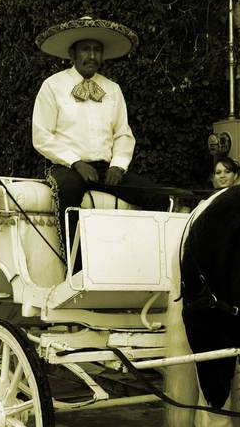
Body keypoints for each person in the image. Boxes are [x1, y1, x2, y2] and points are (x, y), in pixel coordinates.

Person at [32, 16, 167, 270]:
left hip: (107, 166)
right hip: (67, 167)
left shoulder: (112, 89)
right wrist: (75, 162)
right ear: (72, 53)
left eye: (97, 50)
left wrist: (118, 165)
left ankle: (150, 268)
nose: (91, 55)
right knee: (69, 193)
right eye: (86, 49)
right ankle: (77, 270)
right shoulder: (52, 86)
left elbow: (123, 134)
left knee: (157, 196)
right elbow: (42, 136)